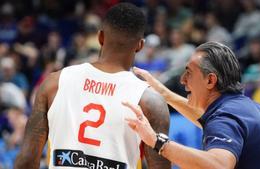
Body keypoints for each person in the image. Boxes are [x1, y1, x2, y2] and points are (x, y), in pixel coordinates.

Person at [14, 3, 170, 169]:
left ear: (100, 37)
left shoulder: (54, 82)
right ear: (140, 45)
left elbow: (27, 161)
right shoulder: (150, 100)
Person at [123, 42, 260, 169]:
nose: (182, 80)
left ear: (210, 80)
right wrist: (164, 94)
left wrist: (155, 141)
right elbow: (204, 118)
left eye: (189, 72)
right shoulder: (252, 110)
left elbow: (219, 165)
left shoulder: (225, 117)